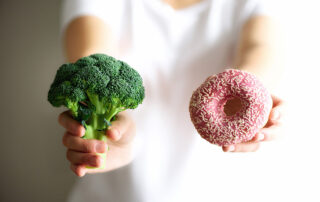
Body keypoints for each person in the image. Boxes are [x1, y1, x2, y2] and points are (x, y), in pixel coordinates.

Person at [58, 0, 285, 201]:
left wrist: (253, 97)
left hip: (225, 192)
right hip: (112, 195)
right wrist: (111, 125)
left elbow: (262, 47)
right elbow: (93, 58)